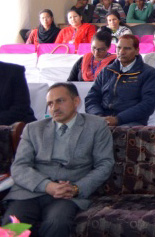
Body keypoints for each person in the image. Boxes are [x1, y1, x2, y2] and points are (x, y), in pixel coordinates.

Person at [1, 83, 114, 237]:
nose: (54, 107)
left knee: (56, 223)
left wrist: (76, 188)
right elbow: (20, 166)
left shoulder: (96, 126)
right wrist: (47, 185)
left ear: (76, 102)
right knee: (12, 225)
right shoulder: (33, 129)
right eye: (50, 103)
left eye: (60, 101)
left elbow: (105, 164)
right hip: (30, 191)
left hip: (68, 193)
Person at [84, 35, 155, 126]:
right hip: (102, 120)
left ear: (137, 51)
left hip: (131, 121)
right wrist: (98, 116)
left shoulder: (147, 73)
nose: (121, 52)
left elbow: (148, 104)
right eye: (119, 48)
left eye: (127, 49)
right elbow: (91, 98)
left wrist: (118, 119)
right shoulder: (107, 71)